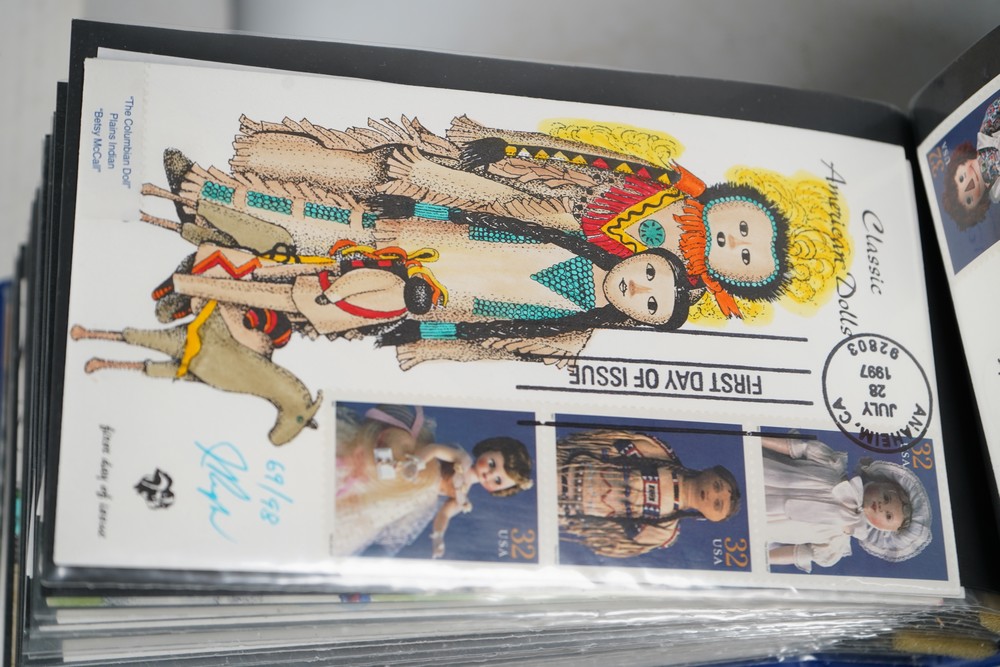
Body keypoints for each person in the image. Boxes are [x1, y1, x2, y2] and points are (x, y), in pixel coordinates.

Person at [333, 405, 533, 558]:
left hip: (411, 495)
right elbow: (435, 450)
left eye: (497, 480)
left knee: (368, 508)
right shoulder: (463, 459)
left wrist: (438, 537)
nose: (489, 474)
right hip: (415, 467)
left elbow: (444, 515)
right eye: (491, 464)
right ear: (488, 450)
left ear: (496, 490)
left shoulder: (461, 498)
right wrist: (417, 462)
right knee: (370, 469)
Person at [557, 429, 741, 558]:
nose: (711, 495)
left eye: (717, 504)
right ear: (708, 471)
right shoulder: (660, 453)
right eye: (716, 486)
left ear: (712, 517)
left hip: (567, 511)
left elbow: (613, 538)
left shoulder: (665, 532)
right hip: (567, 466)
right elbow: (610, 445)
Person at [761, 435, 933, 573]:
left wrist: (762, 558)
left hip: (764, 525)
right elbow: (797, 448)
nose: (881, 506)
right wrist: (757, 439)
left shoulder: (836, 541)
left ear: (882, 531)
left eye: (888, 516)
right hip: (762, 475)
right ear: (880, 483)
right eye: (887, 498)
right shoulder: (832, 466)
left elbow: (800, 553)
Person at [942, 97, 1000, 229]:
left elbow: (995, 109)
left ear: (961, 161)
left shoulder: (985, 137)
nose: (970, 185)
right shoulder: (997, 191)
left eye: (961, 178)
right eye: (969, 199)